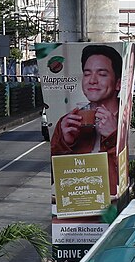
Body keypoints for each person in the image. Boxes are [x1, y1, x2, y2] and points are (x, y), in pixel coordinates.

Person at [51, 44, 123, 193]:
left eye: (102, 74)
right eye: (87, 73)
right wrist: (66, 143)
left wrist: (114, 136)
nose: (92, 80)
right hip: (77, 204)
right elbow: (54, 176)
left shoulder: (129, 118)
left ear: (118, 83)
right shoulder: (68, 122)